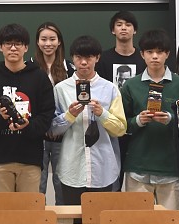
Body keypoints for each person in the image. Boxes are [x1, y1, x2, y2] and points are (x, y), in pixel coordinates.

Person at [0, 24, 54, 193]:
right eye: (8, 43)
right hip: (0, 159)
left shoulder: (40, 78)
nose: (13, 48)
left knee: (29, 207)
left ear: (26, 47)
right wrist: (0, 118)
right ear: (0, 47)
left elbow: (47, 115)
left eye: (18, 43)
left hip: (30, 159)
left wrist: (28, 125)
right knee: (2, 207)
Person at [49, 35, 127, 205]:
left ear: (97, 58)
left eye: (89, 57)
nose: (84, 62)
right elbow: (52, 130)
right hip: (72, 168)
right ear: (72, 58)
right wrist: (69, 115)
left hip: (103, 168)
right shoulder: (61, 89)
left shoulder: (110, 88)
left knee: (101, 218)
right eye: (79, 57)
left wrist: (102, 113)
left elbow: (121, 129)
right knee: (74, 218)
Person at [119, 29, 179, 210]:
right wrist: (138, 120)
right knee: (138, 221)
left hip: (170, 167)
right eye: (150, 52)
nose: (155, 57)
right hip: (138, 166)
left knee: (170, 222)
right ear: (142, 54)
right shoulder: (131, 85)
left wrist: (170, 119)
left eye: (160, 52)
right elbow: (121, 124)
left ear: (167, 54)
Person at [96, 11, 145, 191]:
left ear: (135, 30)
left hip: (138, 125)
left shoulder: (144, 59)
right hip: (111, 127)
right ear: (113, 30)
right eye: (119, 24)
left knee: (137, 184)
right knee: (112, 180)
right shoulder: (103, 59)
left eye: (128, 25)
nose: (123, 28)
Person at [29, 22, 75, 205]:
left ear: (59, 42)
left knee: (61, 181)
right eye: (44, 39)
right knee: (37, 183)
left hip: (62, 134)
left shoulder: (70, 68)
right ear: (37, 42)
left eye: (52, 39)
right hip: (36, 135)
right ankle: (37, 219)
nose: (48, 43)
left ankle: (63, 220)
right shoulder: (28, 67)